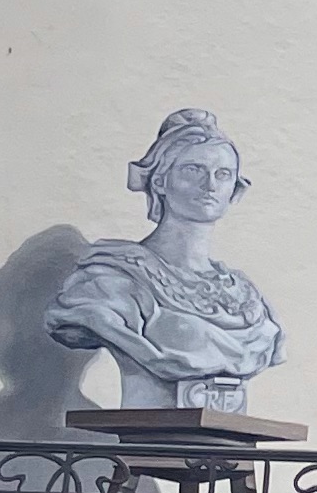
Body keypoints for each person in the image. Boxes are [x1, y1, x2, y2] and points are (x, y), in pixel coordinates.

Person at [46, 108, 285, 412]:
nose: (210, 185)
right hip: (150, 443)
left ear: (234, 190)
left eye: (223, 174)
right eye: (193, 170)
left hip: (225, 450)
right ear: (160, 181)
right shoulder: (112, 278)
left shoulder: (246, 296)